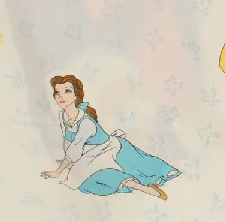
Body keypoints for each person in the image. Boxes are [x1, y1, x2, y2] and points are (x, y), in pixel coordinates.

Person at [41, 75, 179, 199]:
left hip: (108, 149)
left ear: (76, 96)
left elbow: (75, 149)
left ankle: (147, 189)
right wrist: (67, 160)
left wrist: (58, 171)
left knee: (92, 176)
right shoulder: (63, 115)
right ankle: (141, 187)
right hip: (89, 153)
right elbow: (68, 141)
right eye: (57, 93)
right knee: (84, 183)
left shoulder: (86, 123)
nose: (61, 96)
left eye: (67, 91)